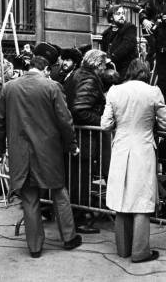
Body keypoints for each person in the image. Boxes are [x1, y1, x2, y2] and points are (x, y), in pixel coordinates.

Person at [0, 52, 82, 258]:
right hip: (48, 151)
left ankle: (34, 247)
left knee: (29, 197)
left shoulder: (9, 88)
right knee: (59, 192)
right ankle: (68, 238)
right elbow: (64, 121)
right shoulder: (52, 87)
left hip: (20, 151)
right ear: (46, 70)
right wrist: (72, 144)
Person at [101, 59, 166, 263]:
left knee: (121, 197)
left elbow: (105, 124)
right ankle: (140, 252)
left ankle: (123, 249)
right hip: (143, 148)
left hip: (121, 148)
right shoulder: (153, 92)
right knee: (141, 198)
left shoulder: (114, 91)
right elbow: (165, 123)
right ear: (145, 73)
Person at [63, 49, 108, 233]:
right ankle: (78, 220)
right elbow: (80, 110)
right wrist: (102, 121)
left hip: (76, 137)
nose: (105, 69)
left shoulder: (76, 74)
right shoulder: (88, 78)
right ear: (97, 65)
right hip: (83, 139)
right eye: (104, 65)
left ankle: (75, 215)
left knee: (76, 179)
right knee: (79, 180)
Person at [101, 5, 138, 78]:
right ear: (111, 17)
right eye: (118, 14)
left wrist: (111, 58)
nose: (122, 16)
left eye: (123, 13)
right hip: (111, 66)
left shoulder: (129, 28)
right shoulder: (106, 33)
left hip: (127, 68)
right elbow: (104, 50)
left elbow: (126, 45)